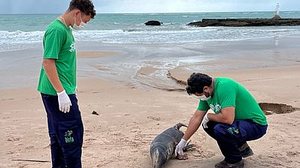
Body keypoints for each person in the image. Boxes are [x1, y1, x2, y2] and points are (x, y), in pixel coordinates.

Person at [37, 0, 95, 167]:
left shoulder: (67, 29)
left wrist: (70, 86)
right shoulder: (56, 30)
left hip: (61, 90)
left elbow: (63, 62)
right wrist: (61, 93)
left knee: (57, 137)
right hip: (57, 94)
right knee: (72, 138)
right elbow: (48, 62)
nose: (83, 24)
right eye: (84, 20)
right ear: (77, 12)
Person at [175, 73, 268, 168]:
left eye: (199, 95)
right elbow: (196, 117)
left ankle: (235, 161)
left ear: (205, 89)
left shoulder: (225, 87)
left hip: (256, 125)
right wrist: (183, 141)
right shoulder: (207, 94)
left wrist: (210, 116)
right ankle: (241, 147)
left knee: (220, 129)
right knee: (208, 124)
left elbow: (227, 119)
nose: (200, 98)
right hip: (238, 124)